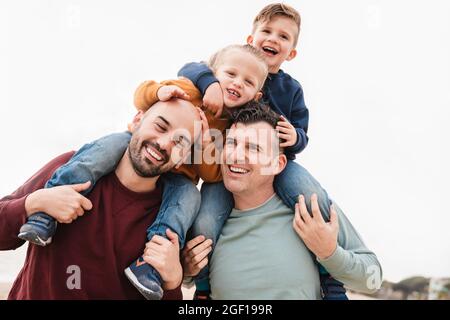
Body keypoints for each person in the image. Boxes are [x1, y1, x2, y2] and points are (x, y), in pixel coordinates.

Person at [17, 44, 269, 299]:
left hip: (178, 178)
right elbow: (142, 94)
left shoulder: (230, 127)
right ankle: (44, 217)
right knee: (107, 147)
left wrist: (172, 278)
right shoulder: (187, 89)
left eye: (248, 82)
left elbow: (214, 174)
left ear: (257, 95)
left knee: (190, 197)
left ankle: (149, 266)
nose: (237, 84)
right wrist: (33, 203)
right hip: (119, 149)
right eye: (230, 74)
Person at [179, 3, 348, 299]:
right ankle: (203, 287)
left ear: (291, 53)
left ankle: (329, 276)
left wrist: (294, 136)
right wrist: (210, 84)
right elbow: (190, 68)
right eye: (267, 31)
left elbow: (302, 133)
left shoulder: (291, 89)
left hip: (274, 165)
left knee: (312, 196)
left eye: (283, 36)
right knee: (205, 220)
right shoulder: (236, 66)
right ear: (250, 38)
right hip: (224, 166)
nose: (273, 39)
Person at [0, 98, 202, 299]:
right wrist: (33, 204)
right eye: (160, 126)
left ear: (183, 159)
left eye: (180, 142)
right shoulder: (70, 168)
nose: (164, 143)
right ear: (137, 120)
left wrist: (172, 281)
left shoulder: (174, 219)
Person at [182, 104, 383, 299]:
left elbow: (373, 280)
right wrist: (186, 268)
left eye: (253, 148)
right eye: (232, 143)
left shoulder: (308, 211)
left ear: (278, 164)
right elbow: (182, 279)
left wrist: (329, 252)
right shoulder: (206, 224)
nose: (236, 155)